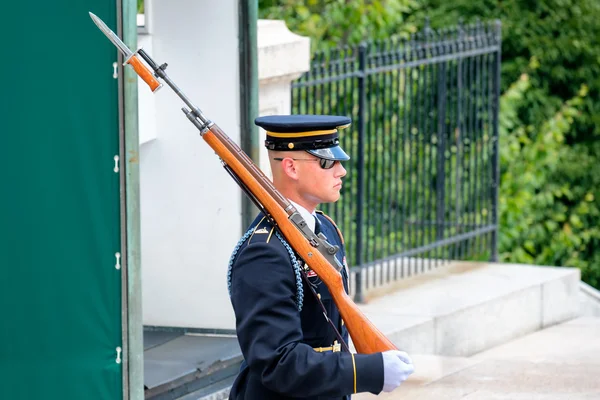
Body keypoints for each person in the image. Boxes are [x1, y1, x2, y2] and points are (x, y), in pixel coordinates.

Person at [227, 115, 414, 399]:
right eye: (327, 162)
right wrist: (367, 370)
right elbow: (278, 362)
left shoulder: (325, 228)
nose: (341, 171)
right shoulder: (263, 253)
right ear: (290, 167)